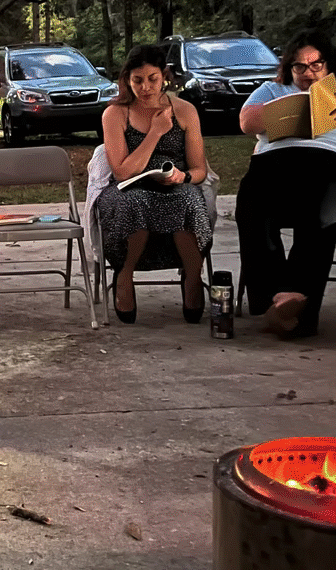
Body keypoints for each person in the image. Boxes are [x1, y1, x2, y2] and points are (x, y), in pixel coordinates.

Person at [96, 44, 211, 324]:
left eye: (153, 79)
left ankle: (193, 276)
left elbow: (199, 170)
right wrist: (156, 133)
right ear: (126, 79)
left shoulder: (185, 111)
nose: (146, 87)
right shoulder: (115, 114)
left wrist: (182, 177)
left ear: (164, 77)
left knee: (188, 199)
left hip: (174, 184)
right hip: (129, 187)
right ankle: (125, 276)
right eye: (137, 80)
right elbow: (122, 172)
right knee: (135, 202)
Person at [235, 24, 336, 337]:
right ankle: (282, 298)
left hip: (327, 162)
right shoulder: (272, 89)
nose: (308, 72)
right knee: (251, 208)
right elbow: (246, 121)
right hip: (276, 161)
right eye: (300, 66)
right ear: (289, 67)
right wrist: (286, 114)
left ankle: (288, 304)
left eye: (315, 64)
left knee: (325, 216)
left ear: (327, 65)